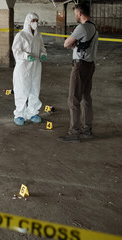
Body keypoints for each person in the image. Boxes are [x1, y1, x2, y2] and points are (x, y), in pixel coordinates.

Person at [58, 2, 98, 143]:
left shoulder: (82, 27)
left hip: (80, 66)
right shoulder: (93, 27)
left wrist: (71, 42)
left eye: (75, 13)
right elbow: (80, 44)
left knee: (73, 100)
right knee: (86, 98)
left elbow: (66, 43)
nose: (75, 16)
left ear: (80, 13)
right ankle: (87, 130)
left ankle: (74, 133)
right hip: (89, 65)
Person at [12, 12, 47, 126]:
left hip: (36, 66)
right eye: (33, 21)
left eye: (37, 20)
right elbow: (16, 51)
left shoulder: (38, 35)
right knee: (22, 90)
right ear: (28, 22)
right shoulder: (21, 35)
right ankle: (20, 115)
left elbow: (42, 47)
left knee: (34, 89)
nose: (35, 23)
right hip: (24, 67)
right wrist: (27, 56)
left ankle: (32, 112)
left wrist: (43, 54)